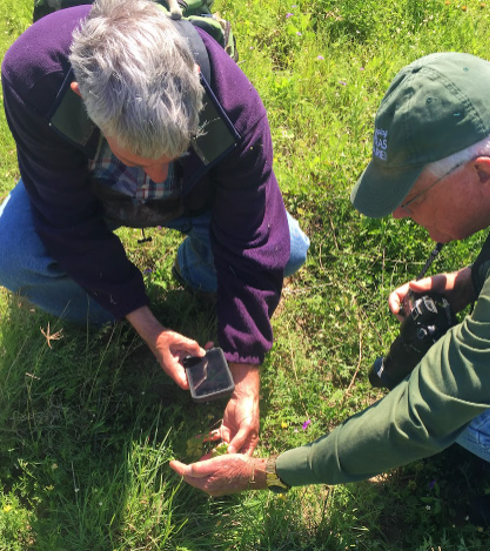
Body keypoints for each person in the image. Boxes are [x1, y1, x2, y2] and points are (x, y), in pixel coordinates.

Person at [170, 52, 490, 511]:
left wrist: (267, 472)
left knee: (477, 413)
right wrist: (464, 283)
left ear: (483, 171)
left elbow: (427, 413)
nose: (400, 213)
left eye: (412, 196)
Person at [0, 0, 309, 456]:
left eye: (175, 152)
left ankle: (197, 272)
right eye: (140, 161)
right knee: (12, 251)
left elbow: (253, 236)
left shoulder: (233, 105)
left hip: (198, 201)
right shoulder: (32, 76)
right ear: (84, 99)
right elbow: (65, 218)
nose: (159, 176)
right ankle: (108, 306)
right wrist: (146, 324)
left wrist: (245, 379)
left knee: (291, 249)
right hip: (95, 196)